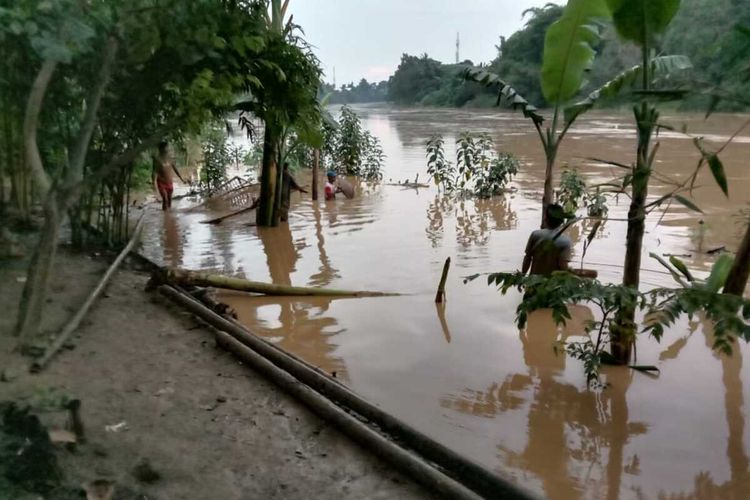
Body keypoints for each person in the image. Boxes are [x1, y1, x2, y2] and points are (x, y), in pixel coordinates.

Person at [522, 203, 571, 276]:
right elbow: (563, 264)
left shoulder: (535, 235)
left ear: (546, 219)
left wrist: (522, 276)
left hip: (534, 281)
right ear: (562, 221)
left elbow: (527, 258)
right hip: (553, 284)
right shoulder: (565, 241)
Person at [152, 140, 185, 210]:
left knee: (169, 200)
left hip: (169, 182)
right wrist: (154, 183)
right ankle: (165, 215)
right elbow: (154, 172)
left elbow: (175, 169)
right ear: (160, 149)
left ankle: (167, 216)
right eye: (165, 148)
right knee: (165, 198)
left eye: (167, 147)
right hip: (161, 182)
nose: (167, 149)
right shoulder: (157, 159)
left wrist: (181, 179)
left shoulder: (170, 158)